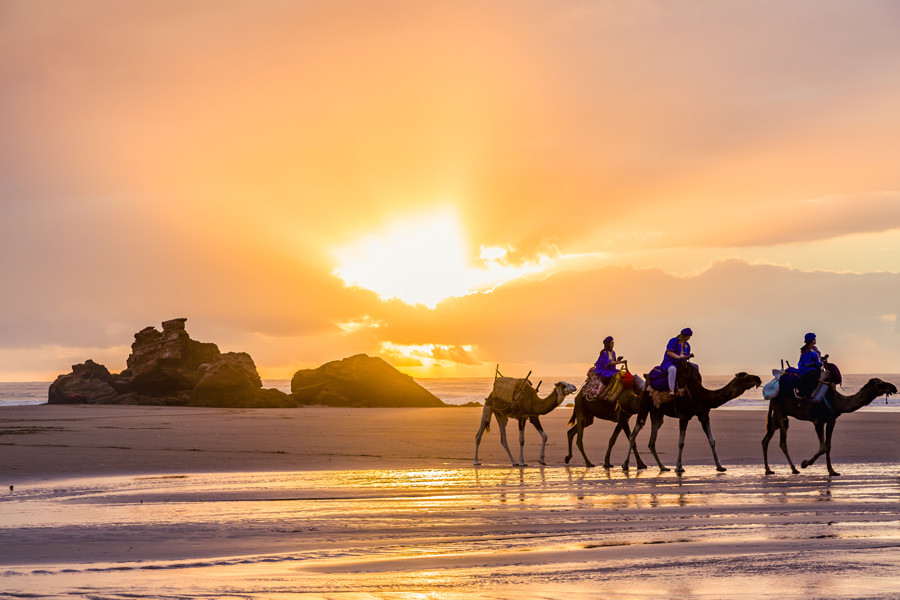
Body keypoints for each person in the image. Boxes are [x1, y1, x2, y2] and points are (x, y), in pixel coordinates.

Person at [661, 328, 695, 396]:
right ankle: (672, 390)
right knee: (672, 369)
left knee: (695, 366)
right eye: (688, 336)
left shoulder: (687, 345)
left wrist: (689, 356)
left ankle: (693, 387)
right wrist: (678, 357)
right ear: (685, 335)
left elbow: (684, 356)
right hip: (670, 362)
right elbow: (669, 352)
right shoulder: (674, 341)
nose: (689, 338)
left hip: (681, 363)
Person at [794, 332, 824, 398]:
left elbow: (818, 358)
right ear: (811, 340)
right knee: (814, 376)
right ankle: (804, 393)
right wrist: (818, 367)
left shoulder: (815, 349)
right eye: (814, 338)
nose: (815, 340)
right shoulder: (806, 351)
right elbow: (808, 363)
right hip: (806, 369)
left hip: (815, 368)